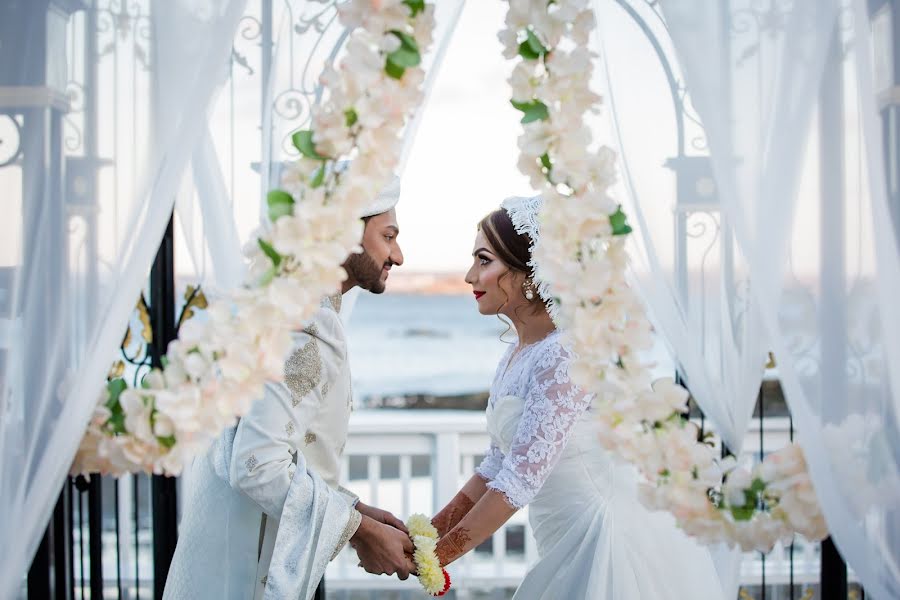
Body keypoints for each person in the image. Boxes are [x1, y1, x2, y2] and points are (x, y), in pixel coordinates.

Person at [429, 196, 723, 599]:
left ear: (528, 272)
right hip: (559, 543)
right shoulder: (518, 353)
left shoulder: (567, 351)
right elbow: (498, 464)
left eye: (484, 261)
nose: (469, 276)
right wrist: (424, 536)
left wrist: (436, 556)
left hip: (602, 546)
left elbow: (520, 479)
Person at [163, 177, 415, 600]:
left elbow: (290, 450)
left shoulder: (293, 309)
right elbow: (256, 463)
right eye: (387, 236)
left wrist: (357, 512)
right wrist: (359, 532)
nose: (398, 255)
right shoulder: (304, 328)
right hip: (255, 571)